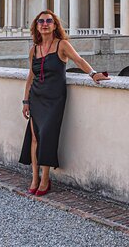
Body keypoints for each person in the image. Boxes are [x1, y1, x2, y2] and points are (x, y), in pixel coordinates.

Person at [19, 10, 110, 196]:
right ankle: (35, 178)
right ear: (36, 26)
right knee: (35, 137)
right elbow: (31, 76)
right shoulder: (34, 49)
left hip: (54, 99)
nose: (45, 24)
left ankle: (45, 179)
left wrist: (93, 74)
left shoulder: (62, 45)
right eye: (41, 21)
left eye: (49, 21)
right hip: (36, 97)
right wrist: (25, 100)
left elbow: (79, 60)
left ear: (55, 25)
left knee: (47, 136)